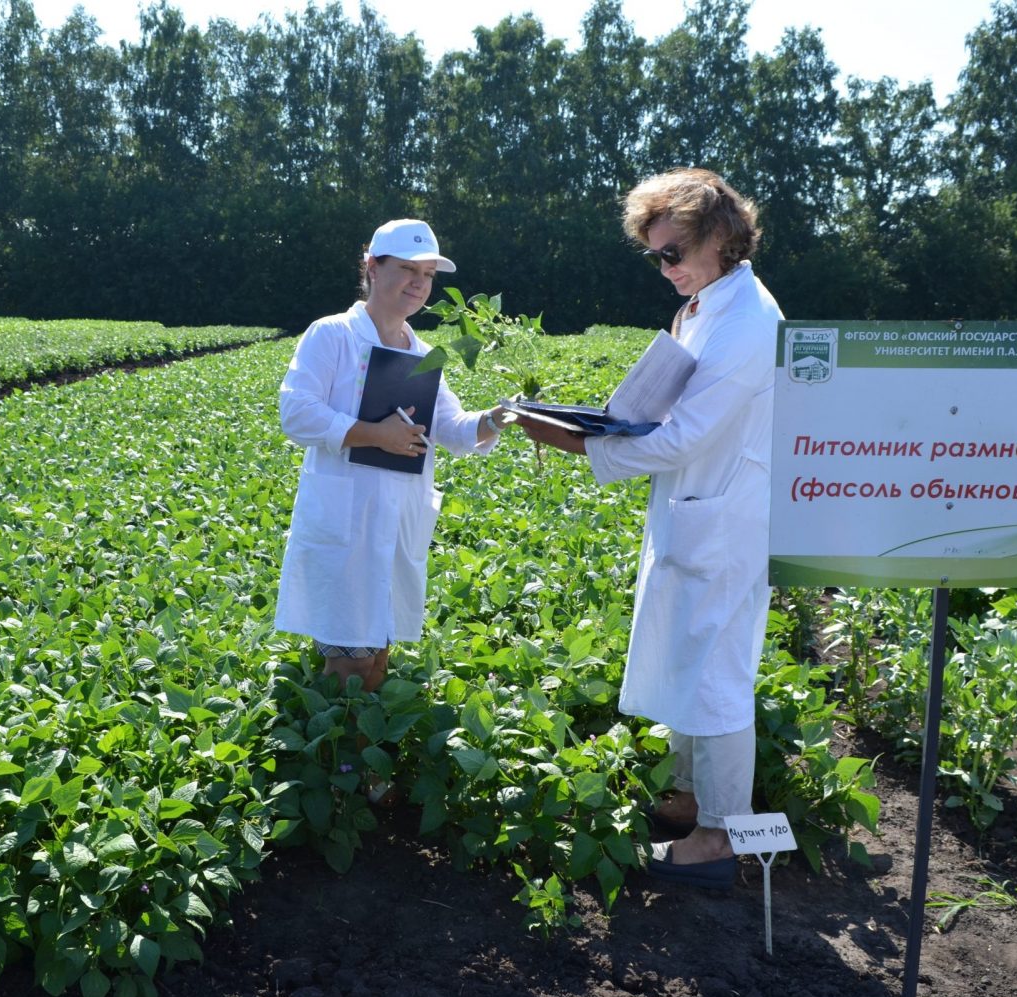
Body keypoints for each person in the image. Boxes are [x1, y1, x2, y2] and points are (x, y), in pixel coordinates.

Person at [518, 169, 783, 889]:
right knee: (696, 662)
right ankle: (695, 797)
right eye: (655, 256)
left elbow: (680, 440)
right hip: (698, 513)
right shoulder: (709, 305)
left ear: (722, 238)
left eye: (674, 253)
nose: (664, 269)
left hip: (724, 528)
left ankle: (720, 834)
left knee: (721, 677)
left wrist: (576, 442)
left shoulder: (750, 323)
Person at [275, 219, 510, 702]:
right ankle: (347, 770)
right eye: (407, 269)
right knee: (350, 666)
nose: (419, 284)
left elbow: (456, 430)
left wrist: (502, 416)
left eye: (427, 274)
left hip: (398, 523)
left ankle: (360, 767)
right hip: (347, 527)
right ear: (373, 267)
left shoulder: (423, 352)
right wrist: (373, 434)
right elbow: (297, 412)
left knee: (378, 657)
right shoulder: (333, 335)